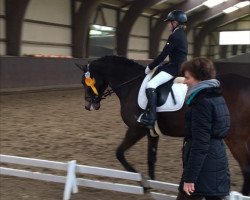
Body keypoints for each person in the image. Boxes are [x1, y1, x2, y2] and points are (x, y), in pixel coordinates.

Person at [177, 57, 231, 200]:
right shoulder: (217, 96)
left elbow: (200, 144)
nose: (184, 81)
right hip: (217, 161)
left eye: (187, 77)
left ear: (199, 78)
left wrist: (189, 178)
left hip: (202, 169)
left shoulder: (201, 103)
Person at [138, 10, 188, 128]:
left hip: (175, 68)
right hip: (178, 65)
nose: (167, 25)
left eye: (169, 22)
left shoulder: (174, 36)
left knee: (151, 85)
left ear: (175, 22)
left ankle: (151, 117)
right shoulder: (182, 34)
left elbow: (163, 55)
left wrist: (150, 67)